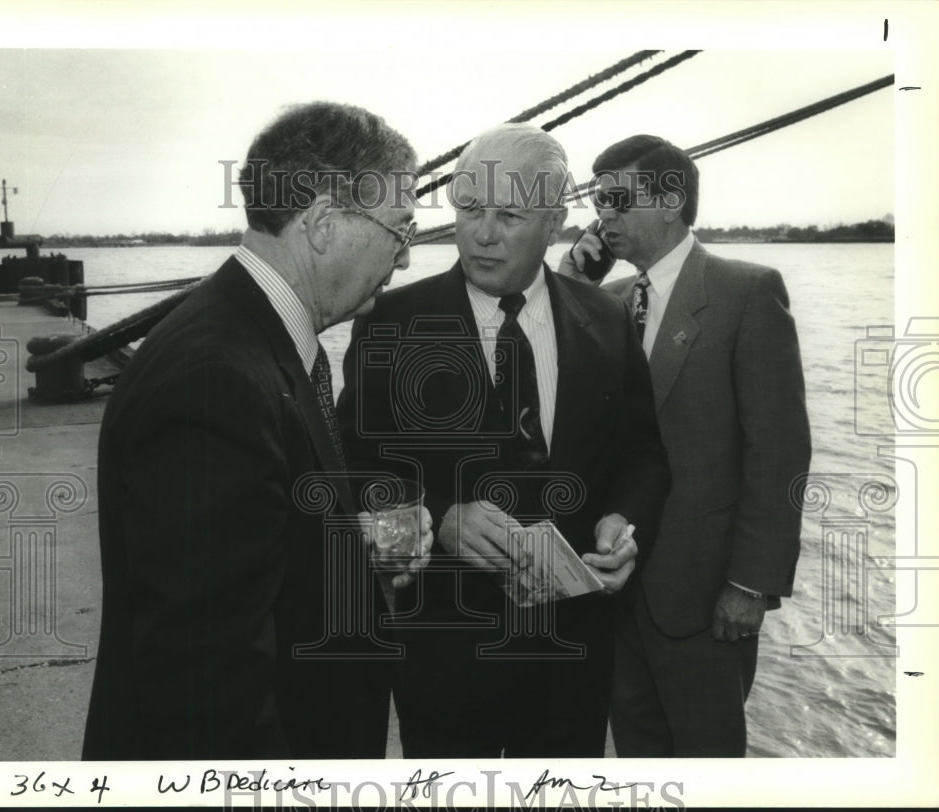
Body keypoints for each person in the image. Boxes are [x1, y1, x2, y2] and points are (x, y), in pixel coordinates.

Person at [83, 101, 432, 760]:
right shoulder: (214, 384)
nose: (406, 258)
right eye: (400, 229)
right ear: (325, 223)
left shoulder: (252, 343)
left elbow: (248, 555)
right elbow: (205, 690)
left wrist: (352, 550)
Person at [337, 123, 670, 758]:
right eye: (468, 210)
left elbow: (642, 454)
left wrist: (625, 525)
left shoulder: (605, 318)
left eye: (509, 215)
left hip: (574, 655)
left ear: (554, 222)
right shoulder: (391, 323)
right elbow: (354, 466)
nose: (481, 233)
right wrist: (437, 516)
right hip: (442, 654)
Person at [560, 134, 812, 757]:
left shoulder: (746, 292)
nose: (604, 215)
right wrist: (570, 285)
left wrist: (751, 586)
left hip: (704, 596)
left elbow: (779, 453)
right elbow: (567, 420)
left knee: (709, 761)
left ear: (670, 201)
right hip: (612, 589)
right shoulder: (606, 303)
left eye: (617, 197)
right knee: (641, 759)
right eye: (598, 201)